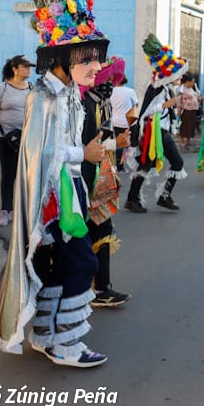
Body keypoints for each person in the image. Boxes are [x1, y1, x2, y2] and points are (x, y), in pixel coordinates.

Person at [0, 0, 112, 367]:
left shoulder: (70, 94)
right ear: (63, 56)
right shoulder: (43, 96)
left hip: (67, 194)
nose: (96, 65)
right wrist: (81, 153)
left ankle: (46, 334)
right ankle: (66, 343)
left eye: (97, 58)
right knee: (80, 265)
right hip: (51, 200)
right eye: (89, 57)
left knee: (62, 267)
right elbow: (39, 153)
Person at [80, 59, 131, 307]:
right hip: (84, 175)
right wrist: (115, 144)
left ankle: (100, 287)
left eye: (113, 80)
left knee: (102, 227)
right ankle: (92, 288)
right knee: (91, 229)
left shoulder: (102, 102)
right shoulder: (83, 104)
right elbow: (86, 146)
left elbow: (105, 139)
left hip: (101, 173)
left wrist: (116, 145)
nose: (110, 84)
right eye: (107, 80)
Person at [124, 34, 188, 213]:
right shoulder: (158, 89)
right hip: (155, 133)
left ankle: (150, 197)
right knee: (168, 162)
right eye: (178, 75)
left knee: (158, 164)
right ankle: (147, 197)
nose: (181, 78)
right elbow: (145, 113)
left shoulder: (166, 88)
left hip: (162, 132)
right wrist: (166, 104)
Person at [0, 55, 34, 226]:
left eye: (30, 67)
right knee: (8, 173)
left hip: (25, 138)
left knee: (27, 175)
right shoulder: (2, 88)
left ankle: (25, 210)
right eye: (25, 66)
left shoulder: (32, 88)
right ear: (15, 68)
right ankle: (6, 210)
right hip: (4, 138)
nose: (29, 70)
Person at [177, 72, 200, 151]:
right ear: (187, 81)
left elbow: (195, 97)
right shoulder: (181, 89)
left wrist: (199, 99)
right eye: (192, 82)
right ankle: (182, 140)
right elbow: (178, 100)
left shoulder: (191, 89)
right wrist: (179, 110)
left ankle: (188, 140)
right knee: (185, 126)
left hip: (193, 110)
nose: (193, 83)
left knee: (191, 126)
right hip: (187, 109)